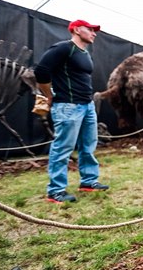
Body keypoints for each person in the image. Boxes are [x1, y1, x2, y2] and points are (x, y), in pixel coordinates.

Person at [34, 19, 109, 203]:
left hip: (87, 105)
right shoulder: (63, 48)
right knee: (63, 148)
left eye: (94, 30)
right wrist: (49, 95)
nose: (94, 33)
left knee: (88, 145)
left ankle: (88, 182)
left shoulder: (85, 53)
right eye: (90, 29)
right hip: (68, 106)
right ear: (76, 30)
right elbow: (41, 71)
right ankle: (55, 191)